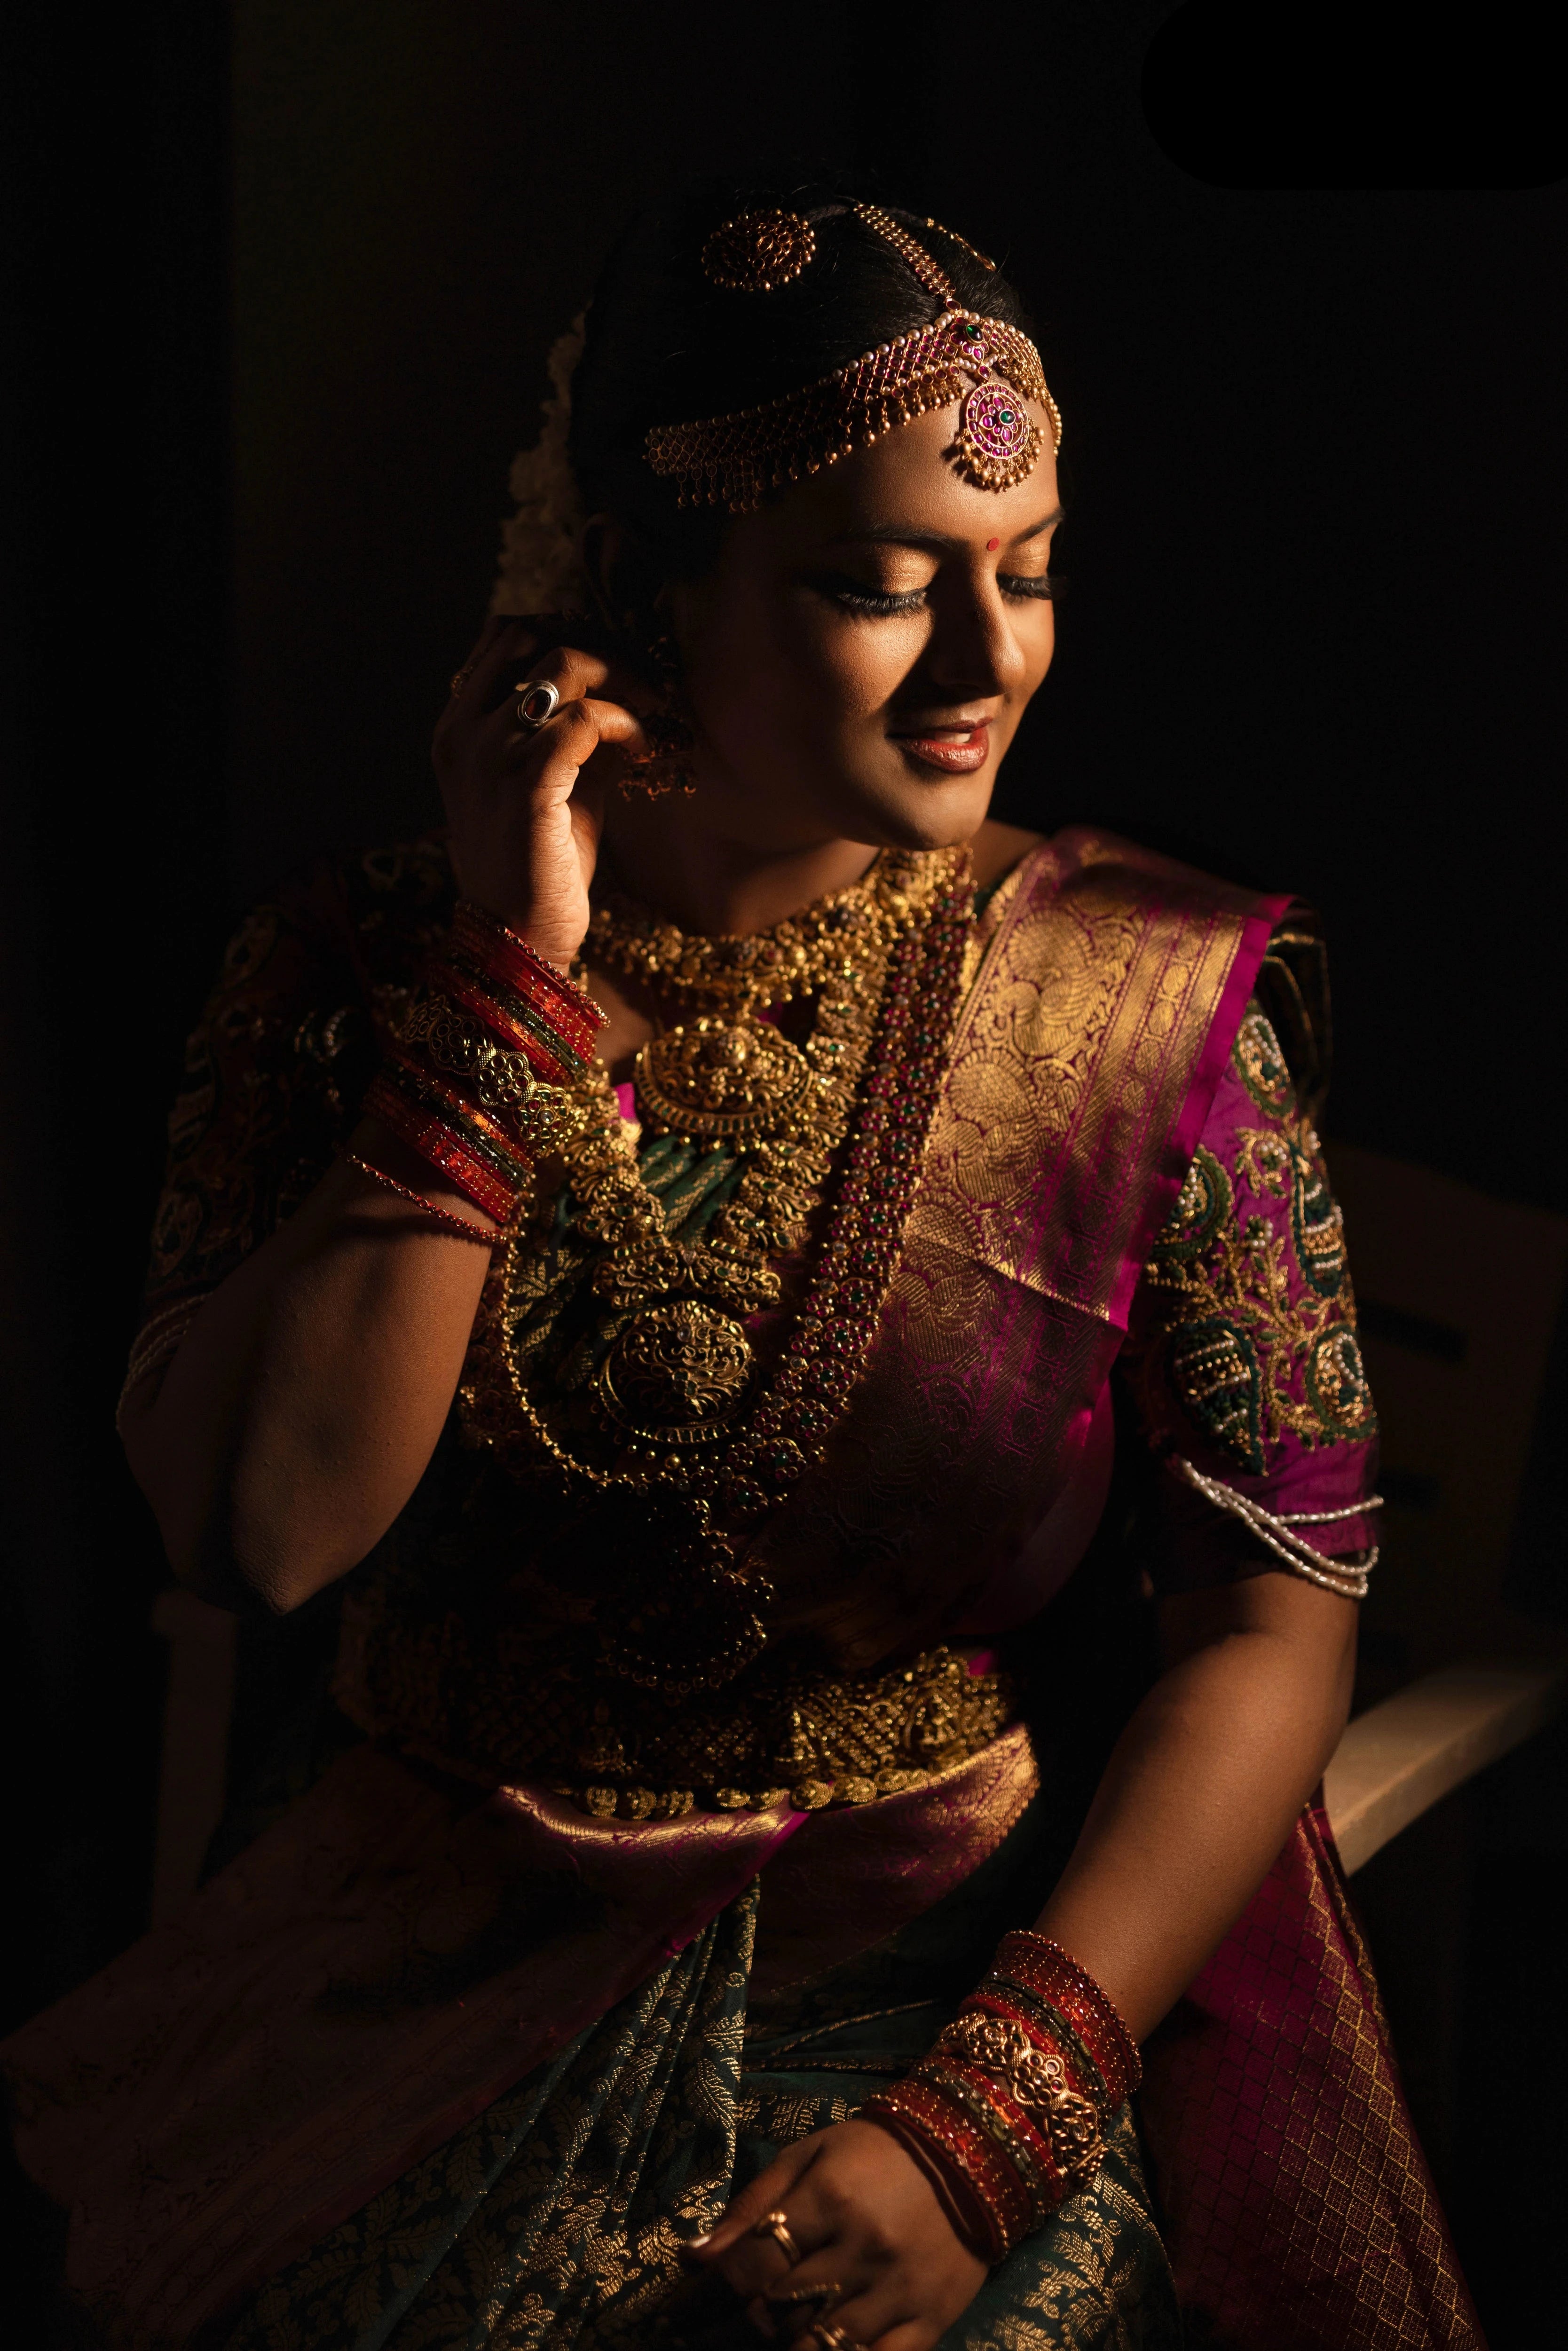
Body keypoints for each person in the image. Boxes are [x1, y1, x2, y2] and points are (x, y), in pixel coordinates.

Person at [1, 187, 1482, 2351]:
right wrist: (513, 977)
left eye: (1032, 571)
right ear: (640, 595)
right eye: (888, 589)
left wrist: (990, 2123)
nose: (992, 662)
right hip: (404, 1977)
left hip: (920, 1995)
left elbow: (1274, 1622)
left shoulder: (1139, 1010)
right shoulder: (356, 973)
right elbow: (270, 1530)